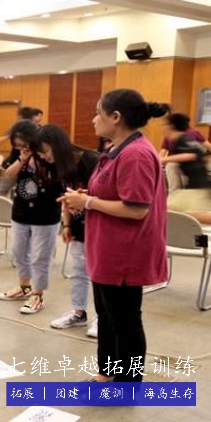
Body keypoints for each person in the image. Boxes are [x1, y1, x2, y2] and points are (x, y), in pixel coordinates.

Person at [60, 89, 168, 383]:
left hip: (125, 252)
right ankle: (106, 375)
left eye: (98, 113)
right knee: (107, 317)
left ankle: (127, 384)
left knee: (124, 321)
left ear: (116, 117)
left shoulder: (136, 154)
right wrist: (83, 197)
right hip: (107, 250)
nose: (94, 120)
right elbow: (110, 193)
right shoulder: (115, 150)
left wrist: (88, 202)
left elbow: (137, 209)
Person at [0, 122, 66, 314]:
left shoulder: (48, 153)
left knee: (40, 257)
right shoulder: (19, 153)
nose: (21, 147)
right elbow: (9, 174)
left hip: (45, 213)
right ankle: (24, 286)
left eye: (24, 144)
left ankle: (38, 294)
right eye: (17, 145)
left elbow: (60, 180)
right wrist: (22, 158)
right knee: (19, 252)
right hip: (21, 211)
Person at [48, 137, 100, 337]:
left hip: (98, 227)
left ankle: (103, 318)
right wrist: (67, 224)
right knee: (78, 270)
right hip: (78, 224)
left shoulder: (94, 161)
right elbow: (67, 197)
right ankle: (79, 312)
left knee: (99, 275)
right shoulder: (62, 167)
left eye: (46, 152)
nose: (45, 157)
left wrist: (85, 199)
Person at [161, 113, 211, 223]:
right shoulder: (186, 139)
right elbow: (201, 156)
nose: (162, 128)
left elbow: (191, 155)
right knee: (169, 210)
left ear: (171, 126)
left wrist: (164, 160)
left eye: (164, 124)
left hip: (197, 187)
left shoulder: (183, 139)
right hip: (195, 185)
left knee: (188, 215)